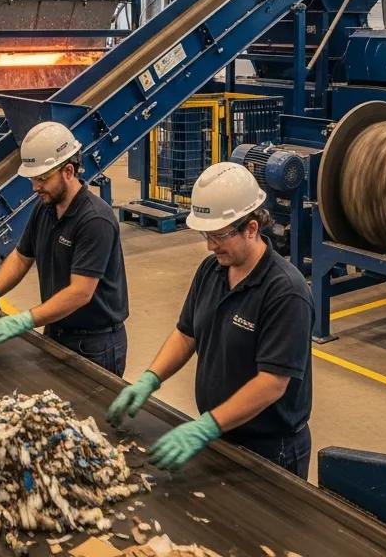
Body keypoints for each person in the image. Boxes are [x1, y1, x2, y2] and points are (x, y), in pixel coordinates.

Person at [107, 161, 313, 478]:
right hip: (222, 431)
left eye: (218, 236)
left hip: (270, 449)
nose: (209, 245)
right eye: (206, 234)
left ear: (252, 228)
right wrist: (150, 379)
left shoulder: (286, 292)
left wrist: (206, 426)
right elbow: (186, 333)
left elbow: (272, 384)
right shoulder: (211, 270)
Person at [0, 121, 129, 375]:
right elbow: (22, 257)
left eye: (42, 178)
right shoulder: (45, 208)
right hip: (56, 329)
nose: (35, 187)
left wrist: (26, 319)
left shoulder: (95, 220)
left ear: (68, 171)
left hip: (94, 344)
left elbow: (80, 292)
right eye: (33, 179)